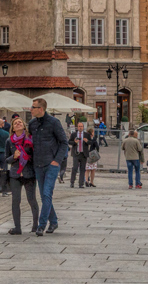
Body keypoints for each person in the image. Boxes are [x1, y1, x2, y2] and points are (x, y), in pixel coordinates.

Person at [28, 97, 68, 236]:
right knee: (45, 196)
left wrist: (57, 160)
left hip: (51, 164)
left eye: (33, 107)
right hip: (38, 164)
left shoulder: (54, 122)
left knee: (46, 194)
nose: (30, 109)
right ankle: (54, 221)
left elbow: (64, 142)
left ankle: (41, 225)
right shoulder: (32, 124)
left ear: (41, 109)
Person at [6, 116, 38, 233]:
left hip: (29, 174)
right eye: (15, 123)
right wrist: (14, 157)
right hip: (15, 175)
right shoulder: (9, 141)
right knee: (16, 200)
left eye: (20, 122)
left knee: (32, 199)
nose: (18, 124)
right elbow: (6, 160)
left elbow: (36, 156)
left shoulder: (30, 139)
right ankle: (17, 228)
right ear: (13, 128)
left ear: (24, 126)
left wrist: (26, 157)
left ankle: (35, 226)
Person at [68, 121, 89, 188]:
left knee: (82, 169)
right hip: (76, 153)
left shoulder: (86, 134)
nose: (80, 128)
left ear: (83, 127)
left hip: (83, 154)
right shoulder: (74, 134)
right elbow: (69, 142)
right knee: (75, 168)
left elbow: (91, 142)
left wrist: (87, 141)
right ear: (77, 127)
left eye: (81, 126)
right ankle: (72, 182)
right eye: (79, 126)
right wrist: (74, 142)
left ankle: (81, 183)